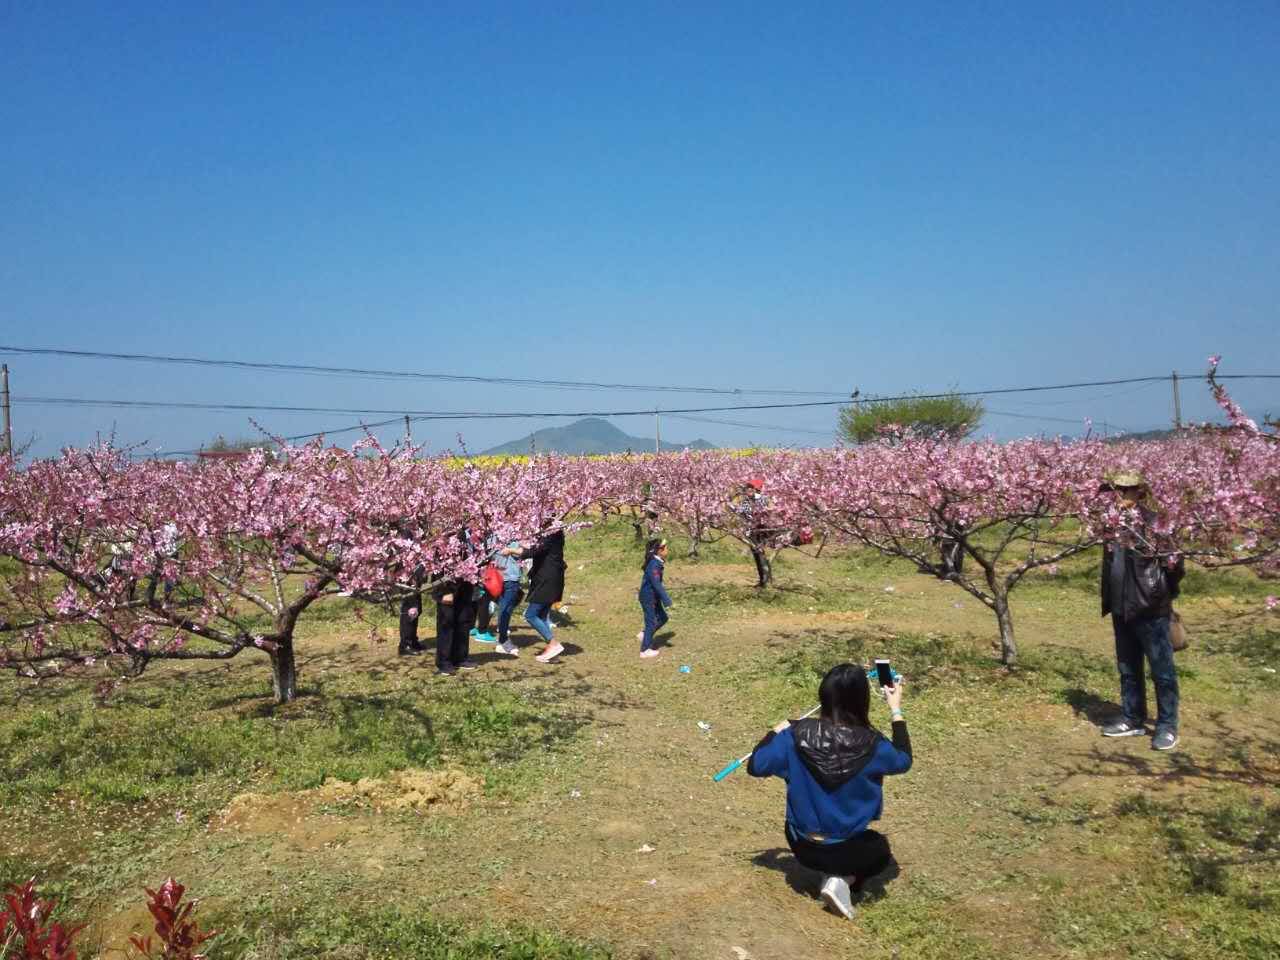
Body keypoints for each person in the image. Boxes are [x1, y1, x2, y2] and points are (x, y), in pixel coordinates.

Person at [748, 663, 912, 920]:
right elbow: (903, 760)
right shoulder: (874, 744)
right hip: (846, 848)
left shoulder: (794, 734)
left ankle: (833, 873)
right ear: (862, 700)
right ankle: (844, 878)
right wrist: (895, 709)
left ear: (823, 694)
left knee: (848, 844)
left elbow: (756, 766)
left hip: (800, 845)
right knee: (880, 851)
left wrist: (774, 732)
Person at [1099, 471, 1184, 751]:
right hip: (1121, 607)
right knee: (1128, 667)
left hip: (1150, 607)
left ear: (1140, 492)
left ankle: (1167, 725)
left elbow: (1174, 564)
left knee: (1162, 670)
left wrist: (1160, 592)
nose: (1120, 495)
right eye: (1116, 490)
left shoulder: (1153, 523)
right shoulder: (1109, 524)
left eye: (1127, 489)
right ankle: (1132, 717)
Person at [505, 521, 567, 663]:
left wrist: (511, 550)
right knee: (542, 615)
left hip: (547, 580)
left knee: (531, 615)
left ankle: (553, 643)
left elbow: (532, 551)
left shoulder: (551, 532)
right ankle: (553, 652)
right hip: (552, 578)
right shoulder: (555, 532)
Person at [433, 528, 480, 676]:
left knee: (464, 620)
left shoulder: (476, 534)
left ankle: (461, 657)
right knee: (447, 623)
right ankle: (444, 661)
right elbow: (439, 560)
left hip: (466, 584)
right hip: (448, 585)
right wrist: (445, 590)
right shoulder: (450, 528)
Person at [638, 537, 673, 659]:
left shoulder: (656, 562)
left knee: (663, 618)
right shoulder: (654, 565)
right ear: (659, 550)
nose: (667, 549)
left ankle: (644, 634)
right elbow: (656, 584)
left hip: (654, 596)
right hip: (649, 597)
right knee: (651, 623)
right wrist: (666, 600)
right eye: (666, 548)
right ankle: (644, 650)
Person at [493, 539, 524, 657]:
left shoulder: (495, 535)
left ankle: (502, 637)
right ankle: (502, 640)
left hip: (502, 577)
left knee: (505, 608)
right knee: (505, 609)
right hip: (508, 577)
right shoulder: (512, 536)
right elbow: (522, 552)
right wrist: (513, 550)